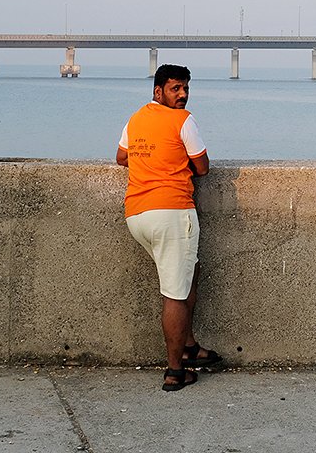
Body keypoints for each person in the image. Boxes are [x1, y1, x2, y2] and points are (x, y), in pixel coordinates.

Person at [116, 63, 222, 391]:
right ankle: (175, 371)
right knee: (174, 293)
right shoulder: (183, 121)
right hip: (172, 212)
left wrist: (153, 158)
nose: (183, 95)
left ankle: (189, 346)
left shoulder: (136, 119)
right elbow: (202, 167)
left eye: (186, 88)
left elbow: (121, 158)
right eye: (175, 88)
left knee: (191, 270)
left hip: (137, 215)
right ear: (158, 91)